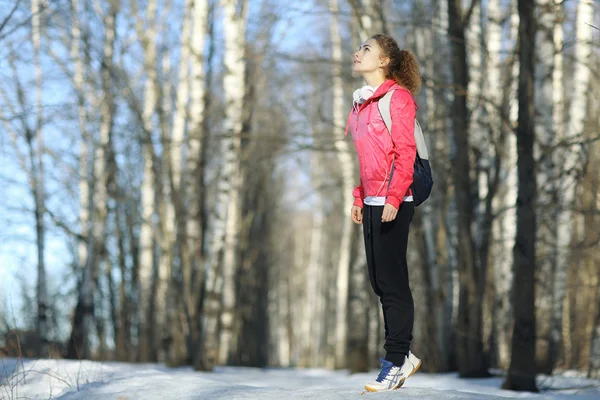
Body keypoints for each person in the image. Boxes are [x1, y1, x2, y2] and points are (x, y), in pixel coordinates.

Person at [345, 34, 422, 392]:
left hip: (395, 201)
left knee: (392, 283)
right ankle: (401, 357)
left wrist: (393, 197)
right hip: (373, 202)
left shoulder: (398, 98)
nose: (357, 53)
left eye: (366, 49)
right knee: (379, 282)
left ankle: (395, 360)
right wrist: (359, 196)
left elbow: (404, 152)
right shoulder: (360, 103)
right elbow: (367, 159)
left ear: (384, 62)